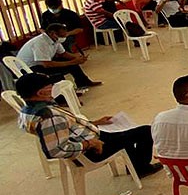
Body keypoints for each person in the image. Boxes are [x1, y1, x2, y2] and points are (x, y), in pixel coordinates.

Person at [16, 73, 161, 176]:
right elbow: (55, 150)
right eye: (50, 86)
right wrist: (89, 144)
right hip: (92, 150)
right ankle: (142, 169)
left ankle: (134, 165)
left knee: (124, 133)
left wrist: (95, 123)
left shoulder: (28, 109)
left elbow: (64, 127)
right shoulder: (48, 117)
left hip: (86, 136)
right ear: (41, 93)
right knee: (145, 131)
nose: (54, 87)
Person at [16, 24, 101, 88]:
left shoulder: (54, 39)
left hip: (42, 63)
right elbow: (47, 64)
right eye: (62, 36)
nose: (64, 37)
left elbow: (63, 53)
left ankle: (83, 83)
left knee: (73, 64)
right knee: (58, 75)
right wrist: (72, 62)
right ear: (53, 33)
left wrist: (77, 58)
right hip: (28, 68)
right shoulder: (40, 43)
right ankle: (62, 97)